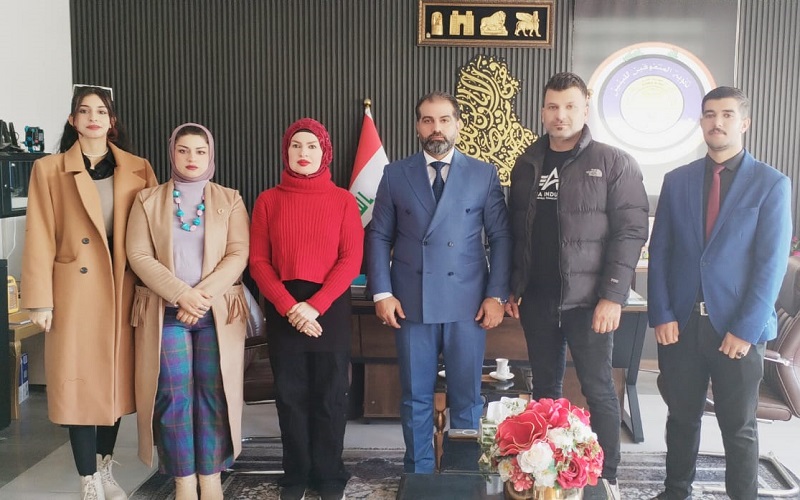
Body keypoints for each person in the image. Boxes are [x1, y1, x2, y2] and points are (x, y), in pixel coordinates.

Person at [505, 72, 649, 498]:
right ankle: (545, 475)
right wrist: (514, 285)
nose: (560, 115)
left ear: (585, 110)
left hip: (590, 303)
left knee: (598, 388)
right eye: (553, 106)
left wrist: (613, 296)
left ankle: (607, 477)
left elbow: (631, 232)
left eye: (570, 106)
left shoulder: (613, 162)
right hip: (537, 299)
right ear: (542, 111)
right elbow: (516, 232)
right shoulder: (527, 163)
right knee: (544, 392)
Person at [647, 87, 792, 500]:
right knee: (681, 418)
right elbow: (661, 253)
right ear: (701, 123)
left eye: (727, 115)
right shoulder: (677, 181)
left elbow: (770, 266)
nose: (717, 122)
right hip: (681, 325)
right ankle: (675, 491)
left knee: (738, 426)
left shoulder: (771, 184)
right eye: (710, 114)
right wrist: (662, 313)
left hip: (737, 329)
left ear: (744, 123)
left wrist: (745, 329)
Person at [21, 85, 158, 500]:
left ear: (111, 120)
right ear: (72, 120)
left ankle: (104, 468)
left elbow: (154, 231)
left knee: (112, 384)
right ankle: (88, 480)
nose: (93, 118)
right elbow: (39, 234)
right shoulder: (49, 169)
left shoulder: (138, 168)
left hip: (122, 289)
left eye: (101, 111)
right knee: (79, 382)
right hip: (74, 292)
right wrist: (40, 300)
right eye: (85, 111)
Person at [367, 91, 512, 474]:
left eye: (445, 120)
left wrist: (496, 295)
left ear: (458, 125)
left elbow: (501, 237)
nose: (437, 128)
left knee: (467, 398)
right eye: (428, 120)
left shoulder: (483, 173)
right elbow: (379, 235)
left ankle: (463, 475)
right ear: (417, 126)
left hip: (468, 305)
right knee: (415, 397)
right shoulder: (395, 174)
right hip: (411, 303)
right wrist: (382, 291)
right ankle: (418, 477)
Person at [126, 123, 250, 500]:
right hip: (165, 313)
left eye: (200, 151)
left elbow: (238, 254)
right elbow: (138, 254)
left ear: (210, 155)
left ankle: (210, 478)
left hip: (216, 315)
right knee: (173, 397)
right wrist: (182, 295)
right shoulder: (147, 200)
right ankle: (183, 481)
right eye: (183, 150)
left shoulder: (230, 199)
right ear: (172, 154)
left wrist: (201, 297)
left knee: (214, 395)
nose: (191, 158)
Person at [250, 118, 364, 500]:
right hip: (284, 306)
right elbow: (258, 262)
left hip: (329, 306)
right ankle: (295, 474)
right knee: (291, 396)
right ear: (286, 152)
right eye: (296, 146)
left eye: (311, 146)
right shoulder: (268, 200)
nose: (303, 153)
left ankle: (329, 475)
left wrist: (314, 306)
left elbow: (350, 260)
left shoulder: (343, 200)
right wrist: (289, 306)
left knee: (331, 396)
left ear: (324, 153)